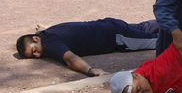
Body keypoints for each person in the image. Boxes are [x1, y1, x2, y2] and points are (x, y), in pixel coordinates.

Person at [16, 18, 161, 76]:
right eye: (33, 56)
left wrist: (90, 71)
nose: (37, 55)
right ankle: (170, 19)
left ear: (36, 38)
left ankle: (181, 35)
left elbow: (70, 59)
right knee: (143, 28)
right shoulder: (47, 33)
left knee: (158, 42)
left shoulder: (49, 44)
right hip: (109, 24)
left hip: (115, 37)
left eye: (34, 51)